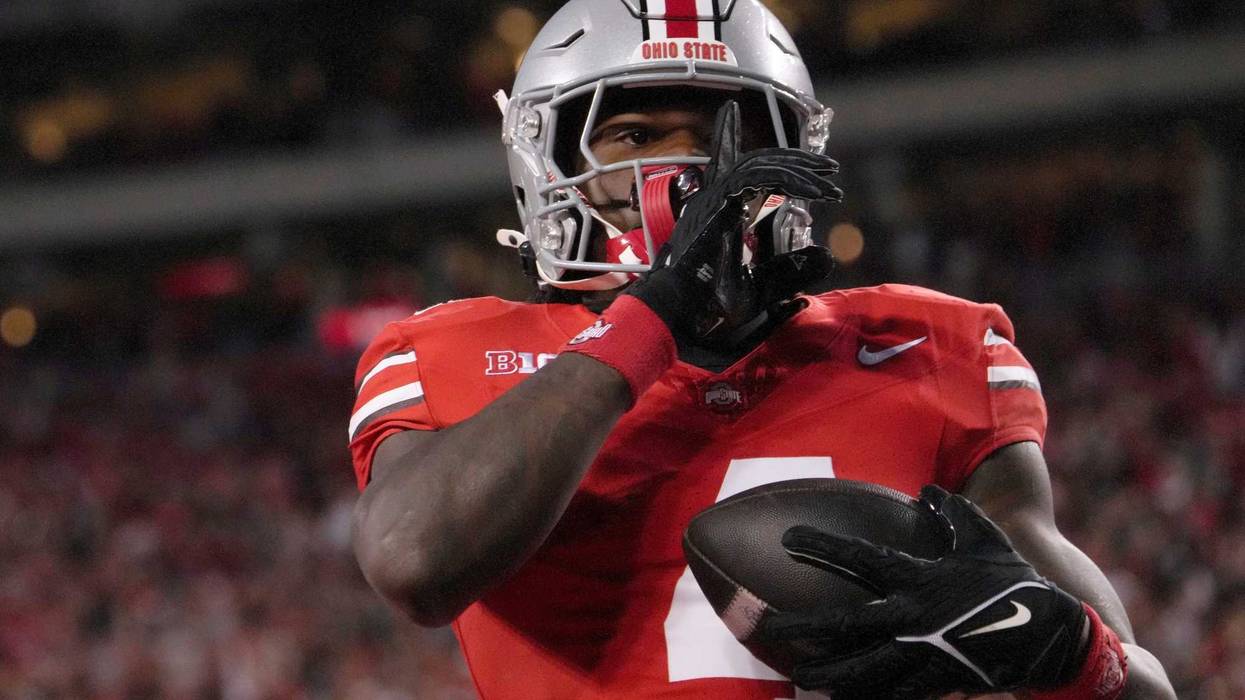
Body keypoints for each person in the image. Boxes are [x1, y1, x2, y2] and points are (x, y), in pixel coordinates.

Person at [348, 1, 1176, 698]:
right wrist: (653, 316)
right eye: (631, 136)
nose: (687, 171)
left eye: (726, 137)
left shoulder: (926, 344)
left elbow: (1137, 685)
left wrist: (1066, 649)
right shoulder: (453, 348)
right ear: (550, 160)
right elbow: (414, 561)